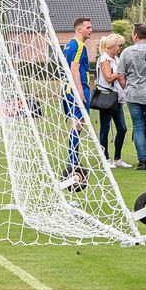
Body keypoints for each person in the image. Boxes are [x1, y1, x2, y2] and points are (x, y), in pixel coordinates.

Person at [118, 23, 146, 172]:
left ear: (136, 35)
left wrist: (127, 88)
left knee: (138, 127)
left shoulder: (127, 52)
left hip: (134, 94)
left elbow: (120, 74)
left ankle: (143, 160)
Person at [61, 18, 93, 179]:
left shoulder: (68, 45)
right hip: (76, 89)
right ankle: (72, 160)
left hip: (67, 88)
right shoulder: (79, 45)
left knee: (75, 124)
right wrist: (80, 91)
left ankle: (73, 158)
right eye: (88, 27)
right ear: (79, 29)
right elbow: (74, 69)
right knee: (78, 125)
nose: (91, 30)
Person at [93, 33, 129, 168]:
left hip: (117, 98)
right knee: (105, 128)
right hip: (107, 97)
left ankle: (117, 158)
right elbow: (108, 77)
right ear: (112, 45)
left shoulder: (116, 59)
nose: (120, 48)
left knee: (122, 128)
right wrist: (120, 73)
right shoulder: (104, 59)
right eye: (119, 45)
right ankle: (105, 158)